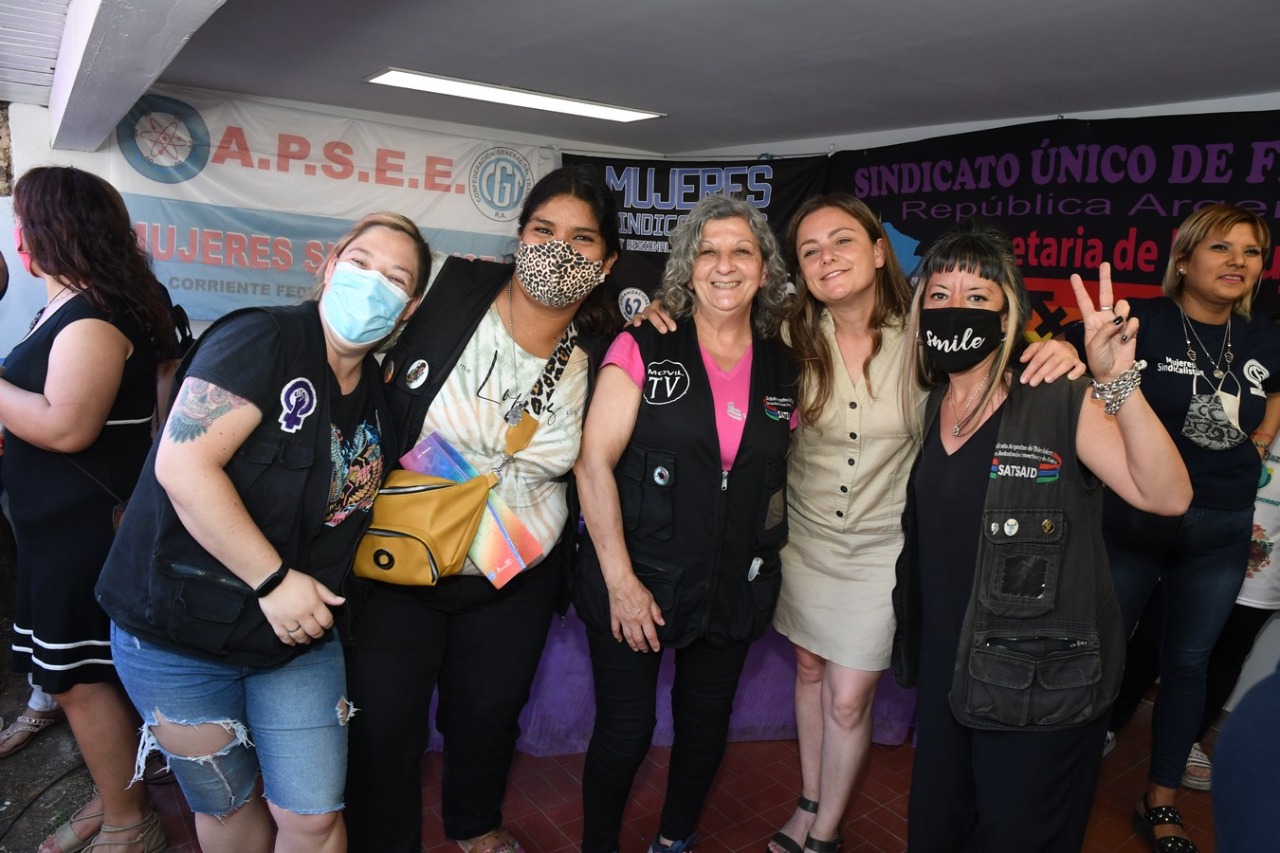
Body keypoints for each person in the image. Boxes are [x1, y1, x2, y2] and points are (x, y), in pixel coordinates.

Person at [97, 211, 429, 853]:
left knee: (312, 817)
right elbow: (183, 462)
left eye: (395, 278)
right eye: (360, 263)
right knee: (228, 811)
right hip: (178, 634)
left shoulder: (379, 403)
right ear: (329, 266)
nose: (372, 284)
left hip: (295, 642)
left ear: (408, 308)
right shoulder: (265, 338)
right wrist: (273, 579)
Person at [344, 164, 621, 853]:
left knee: (490, 714)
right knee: (384, 722)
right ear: (519, 237)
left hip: (514, 574)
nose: (559, 250)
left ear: (608, 261)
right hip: (402, 560)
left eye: (583, 240)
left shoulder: (608, 348)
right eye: (543, 230)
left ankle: (474, 824)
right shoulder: (448, 291)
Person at [892, 219, 1192, 853]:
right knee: (937, 833)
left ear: (1010, 315)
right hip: (951, 673)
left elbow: (1167, 495)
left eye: (978, 297)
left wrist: (1117, 382)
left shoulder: (1058, 399)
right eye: (938, 295)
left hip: (1037, 684)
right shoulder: (931, 404)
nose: (954, 309)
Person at [572, 194, 799, 853]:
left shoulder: (784, 363)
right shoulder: (643, 340)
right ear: (686, 266)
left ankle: (675, 838)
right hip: (637, 576)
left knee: (705, 727)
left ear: (764, 268)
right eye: (708, 250)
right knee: (626, 730)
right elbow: (593, 463)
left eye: (741, 251)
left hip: (731, 581)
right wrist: (620, 580)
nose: (724, 265)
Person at [1072, 204, 1280, 852]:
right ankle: (1066, 778)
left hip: (1219, 525)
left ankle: (1158, 799)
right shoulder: (1141, 321)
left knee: (1187, 662)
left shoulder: (1264, 338)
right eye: (1221, 247)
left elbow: (1271, 390)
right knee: (1100, 654)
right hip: (1133, 515)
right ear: (1184, 258)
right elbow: (1097, 390)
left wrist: (1262, 438)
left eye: (1250, 251)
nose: (1237, 261)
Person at [1, 167, 175, 853]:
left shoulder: (96, 316)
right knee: (74, 676)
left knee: (78, 679)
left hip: (81, 533)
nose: (16, 239)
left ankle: (132, 821)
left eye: (22, 222)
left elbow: (66, 425)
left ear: (48, 233)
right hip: (54, 527)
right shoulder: (72, 305)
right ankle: (113, 801)